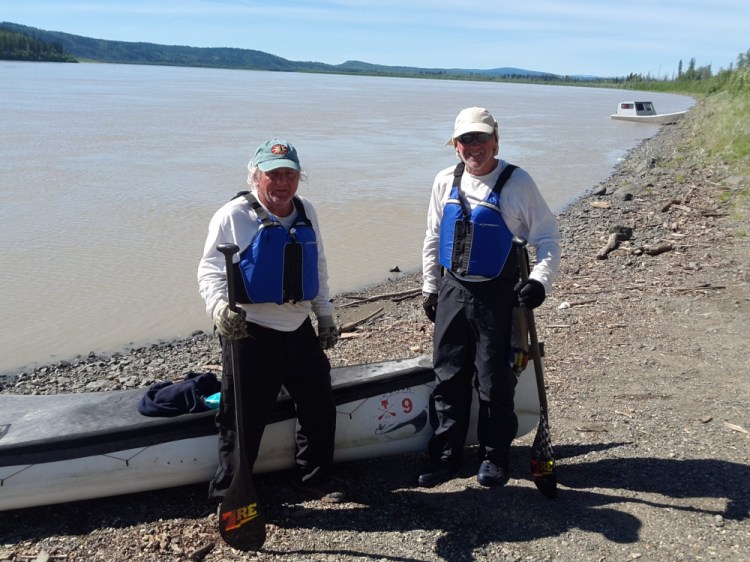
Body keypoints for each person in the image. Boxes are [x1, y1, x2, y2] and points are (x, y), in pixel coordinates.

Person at [419, 107, 561, 488]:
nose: (473, 147)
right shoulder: (443, 181)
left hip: (499, 294)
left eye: (481, 138)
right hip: (452, 290)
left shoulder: (518, 182)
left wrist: (539, 282)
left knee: (494, 379)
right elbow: (433, 236)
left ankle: (495, 456)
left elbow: (547, 236)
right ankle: (446, 454)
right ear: (455, 146)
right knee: (447, 375)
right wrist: (430, 288)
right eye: (465, 140)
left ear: (496, 140)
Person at [197, 139, 343, 503]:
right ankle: (230, 496)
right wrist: (219, 309)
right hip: (251, 332)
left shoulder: (306, 210)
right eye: (273, 175)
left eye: (290, 175)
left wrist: (324, 314)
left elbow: (318, 265)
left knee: (319, 406)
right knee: (241, 420)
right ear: (255, 176)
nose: (282, 183)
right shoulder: (233, 215)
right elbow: (210, 269)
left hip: (298, 329)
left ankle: (313, 478)